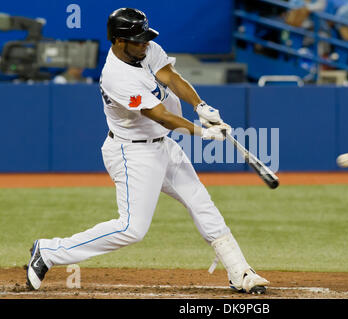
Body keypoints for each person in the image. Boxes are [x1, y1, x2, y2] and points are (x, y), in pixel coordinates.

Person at [25, 8, 269, 294]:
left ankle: (240, 271)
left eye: (145, 38)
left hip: (163, 145)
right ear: (118, 41)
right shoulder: (117, 77)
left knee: (202, 204)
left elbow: (171, 77)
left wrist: (200, 106)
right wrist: (203, 132)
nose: (145, 44)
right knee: (131, 229)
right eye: (137, 40)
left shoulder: (145, 50)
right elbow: (160, 115)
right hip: (132, 153)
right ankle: (50, 251)